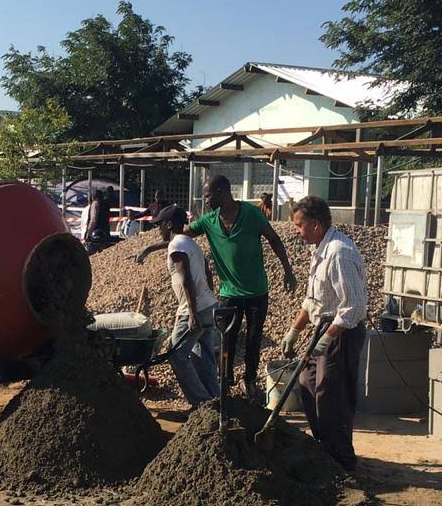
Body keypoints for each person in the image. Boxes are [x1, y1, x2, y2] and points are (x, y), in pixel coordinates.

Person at [189, 174, 297, 403]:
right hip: (228, 294)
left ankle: (250, 380)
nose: (206, 201)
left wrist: (288, 271)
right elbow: (182, 236)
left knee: (253, 339)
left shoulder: (251, 214)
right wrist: (153, 247)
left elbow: (274, 239)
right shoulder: (209, 221)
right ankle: (225, 382)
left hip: (257, 292)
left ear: (222, 192)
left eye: (208, 196)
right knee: (226, 339)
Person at [281, 195, 368, 473]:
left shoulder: (339, 253)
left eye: (299, 225)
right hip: (324, 328)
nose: (297, 231)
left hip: (342, 333)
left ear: (316, 225)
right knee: (307, 382)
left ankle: (342, 459)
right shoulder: (320, 250)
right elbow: (312, 300)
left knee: (330, 393)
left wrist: (327, 338)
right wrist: (294, 331)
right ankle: (323, 448)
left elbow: (353, 307)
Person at [135, 204, 218, 406]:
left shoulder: (176, 247)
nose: (158, 229)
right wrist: (207, 297)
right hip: (208, 305)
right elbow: (208, 273)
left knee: (176, 354)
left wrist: (192, 313)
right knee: (203, 355)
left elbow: (186, 279)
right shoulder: (190, 244)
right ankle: (216, 401)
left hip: (194, 309)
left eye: (160, 225)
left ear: (169, 224)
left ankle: (202, 403)